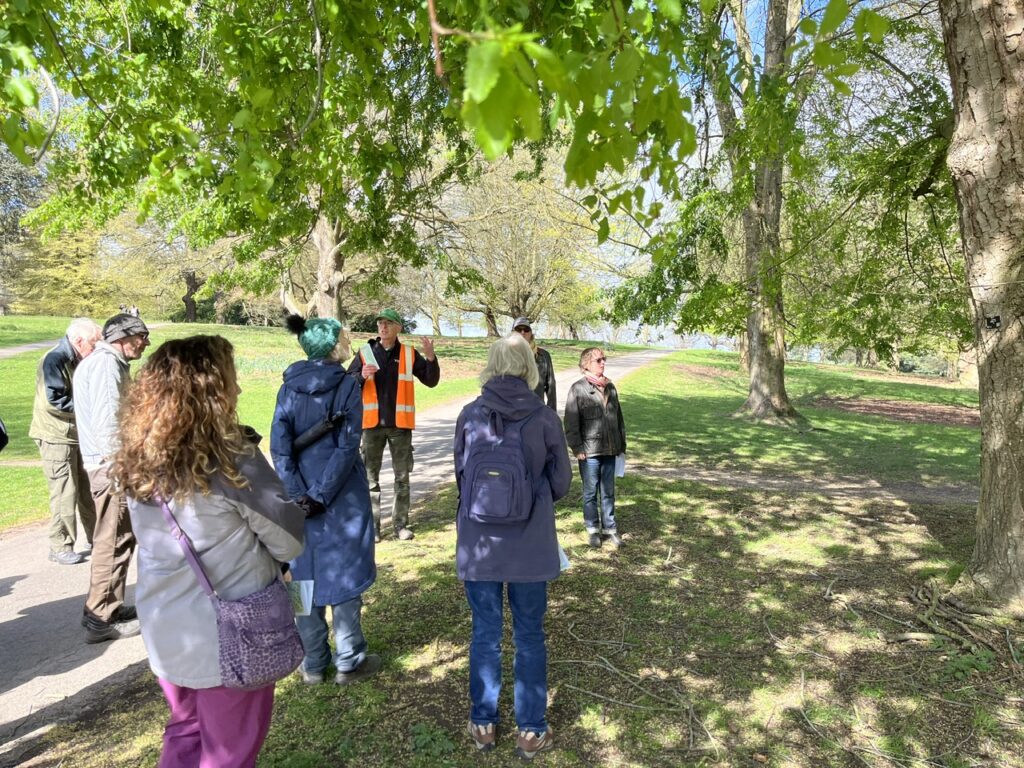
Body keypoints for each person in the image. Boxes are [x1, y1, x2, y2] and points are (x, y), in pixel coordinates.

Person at [111, 335, 305, 768]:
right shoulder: (231, 460)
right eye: (231, 381)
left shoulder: (140, 458)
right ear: (212, 391)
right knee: (228, 753)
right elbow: (288, 539)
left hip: (168, 628)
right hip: (230, 635)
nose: (237, 390)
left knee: (186, 732)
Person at [454, 334, 571, 760]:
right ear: (528, 366)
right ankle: (531, 729)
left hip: (479, 544)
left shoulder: (470, 415)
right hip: (530, 545)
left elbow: (461, 476)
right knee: (529, 634)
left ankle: (484, 723)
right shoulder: (543, 418)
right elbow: (561, 482)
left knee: (485, 633)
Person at [270, 315, 381, 686]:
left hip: (299, 501)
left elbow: (279, 449)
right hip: (341, 497)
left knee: (302, 577)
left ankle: (313, 662)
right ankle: (348, 659)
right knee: (345, 572)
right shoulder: (348, 388)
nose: (348, 343)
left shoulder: (287, 389)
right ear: (333, 346)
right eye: (343, 338)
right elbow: (348, 447)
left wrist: (297, 494)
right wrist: (319, 495)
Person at [74, 313, 151, 642]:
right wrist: (123, 470)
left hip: (107, 466)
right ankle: (101, 617)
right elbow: (109, 424)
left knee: (117, 538)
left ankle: (107, 607)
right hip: (111, 468)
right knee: (113, 540)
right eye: (142, 336)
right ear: (124, 336)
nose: (146, 343)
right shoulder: (106, 366)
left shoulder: (103, 363)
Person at [348, 308, 439, 542]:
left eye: (388, 323)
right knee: (370, 480)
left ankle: (400, 525)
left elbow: (431, 381)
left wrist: (430, 357)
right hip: (371, 426)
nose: (383, 327)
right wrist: (360, 377)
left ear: (399, 327)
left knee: (402, 478)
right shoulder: (365, 352)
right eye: (380, 323)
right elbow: (346, 384)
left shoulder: (409, 354)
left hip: (400, 426)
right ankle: (374, 529)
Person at [28, 318, 102, 565]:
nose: (95, 348)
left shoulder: (78, 358)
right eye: (93, 343)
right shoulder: (55, 359)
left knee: (87, 488)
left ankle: (98, 538)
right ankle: (60, 545)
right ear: (78, 340)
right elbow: (55, 401)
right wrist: (91, 408)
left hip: (75, 434)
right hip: (55, 436)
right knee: (64, 491)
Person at [563, 347, 627, 549]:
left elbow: (619, 419)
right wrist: (577, 447)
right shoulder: (578, 388)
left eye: (604, 359)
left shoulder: (611, 387)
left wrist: (622, 444)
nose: (603, 363)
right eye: (598, 360)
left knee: (608, 492)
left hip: (610, 449)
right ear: (586, 364)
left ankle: (610, 529)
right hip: (589, 451)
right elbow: (571, 422)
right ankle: (593, 530)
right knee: (590, 492)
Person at [512, 317, 556, 411]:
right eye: (519, 330)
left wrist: (552, 415)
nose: (523, 332)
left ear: (531, 333)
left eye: (526, 329)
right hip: (512, 411)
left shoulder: (543, 355)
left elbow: (551, 386)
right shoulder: (505, 355)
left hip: (537, 410)